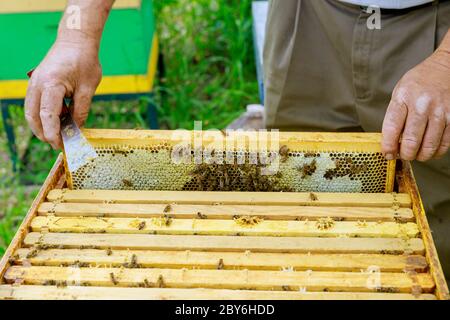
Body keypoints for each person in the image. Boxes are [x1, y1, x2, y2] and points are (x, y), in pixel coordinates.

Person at [25, 0, 449, 279]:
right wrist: (76, 33)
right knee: (294, 195)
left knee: (433, 218)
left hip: (437, 22)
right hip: (309, 14)